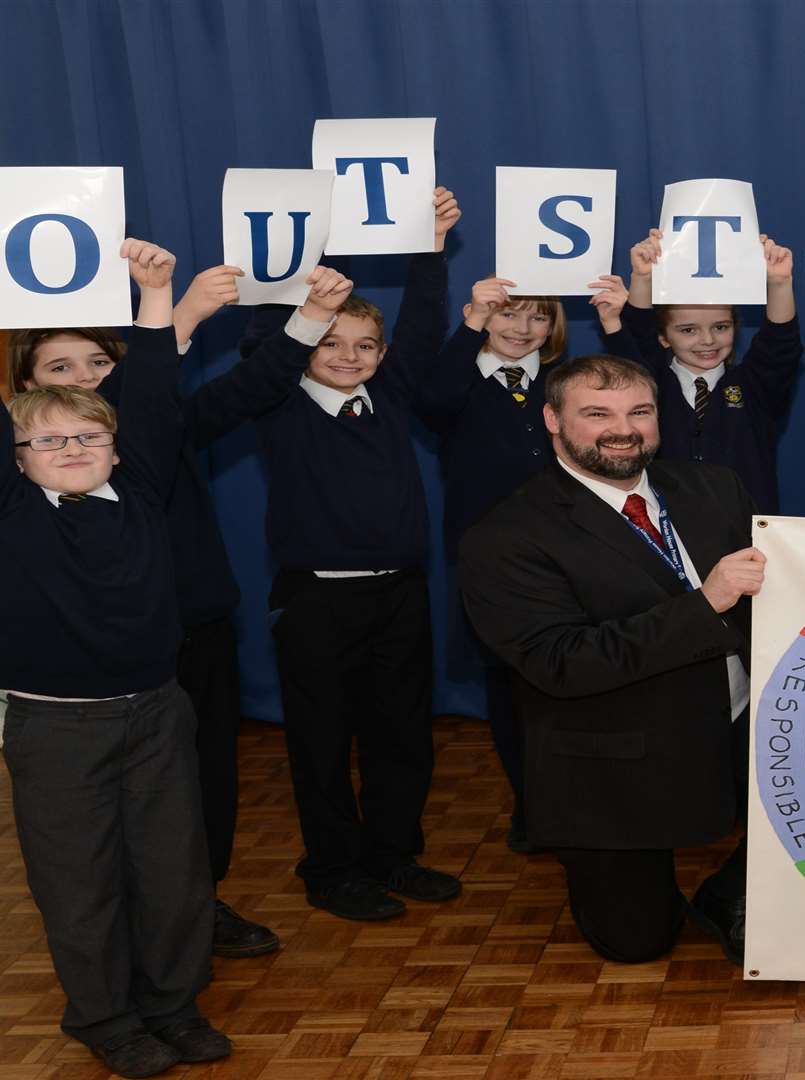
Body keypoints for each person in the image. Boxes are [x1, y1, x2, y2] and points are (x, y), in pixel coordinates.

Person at [189, 187, 463, 922]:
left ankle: (393, 853)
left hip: (402, 594)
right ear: (303, 350)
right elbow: (265, 350)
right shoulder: (279, 403)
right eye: (330, 343)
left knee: (402, 732)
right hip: (317, 600)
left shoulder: (393, 396)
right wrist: (302, 278)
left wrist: (430, 251)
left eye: (365, 345)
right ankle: (333, 867)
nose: (348, 357)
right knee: (320, 739)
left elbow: (426, 321)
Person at [1, 240, 235, 1077]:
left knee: (174, 870)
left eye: (86, 436)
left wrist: (157, 293)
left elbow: (151, 393)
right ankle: (103, 1018)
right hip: (55, 727)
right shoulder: (15, 510)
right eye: (48, 440)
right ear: (18, 455)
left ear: (114, 442)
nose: (69, 449)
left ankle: (172, 1005)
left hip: (157, 711)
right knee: (80, 880)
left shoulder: (140, 486)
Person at [9, 264, 279, 959]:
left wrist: (166, 304)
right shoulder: (23, 486)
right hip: (78, 685)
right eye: (60, 365)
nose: (86, 375)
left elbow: (169, 382)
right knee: (92, 825)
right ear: (25, 393)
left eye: (100, 360)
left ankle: (194, 911)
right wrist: (175, 306)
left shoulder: (154, 434)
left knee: (197, 789)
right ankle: (118, 944)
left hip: (190, 637)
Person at [459, 353, 764, 965]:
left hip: (735, 721)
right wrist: (707, 603)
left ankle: (727, 888)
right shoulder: (506, 535)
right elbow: (561, 663)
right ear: (552, 419)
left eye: (639, 411)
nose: (622, 429)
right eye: (596, 413)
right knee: (637, 942)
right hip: (613, 754)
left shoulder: (714, 486)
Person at [421, 269, 642, 852]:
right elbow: (432, 401)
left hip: (577, 553)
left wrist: (619, 321)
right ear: (484, 318)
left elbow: (642, 393)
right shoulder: (462, 379)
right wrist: (469, 324)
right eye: (507, 313)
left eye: (538, 315)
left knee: (587, 675)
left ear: (555, 325)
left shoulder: (564, 384)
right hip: (494, 565)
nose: (522, 327)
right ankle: (533, 808)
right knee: (510, 689)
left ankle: (596, 800)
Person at [618, 230, 803, 513]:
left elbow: (780, 346)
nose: (707, 340)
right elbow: (636, 335)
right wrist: (642, 277)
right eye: (688, 330)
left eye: (720, 327)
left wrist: (779, 282)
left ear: (735, 329)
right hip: (669, 528)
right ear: (664, 337)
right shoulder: (650, 382)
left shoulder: (754, 385)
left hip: (745, 530)